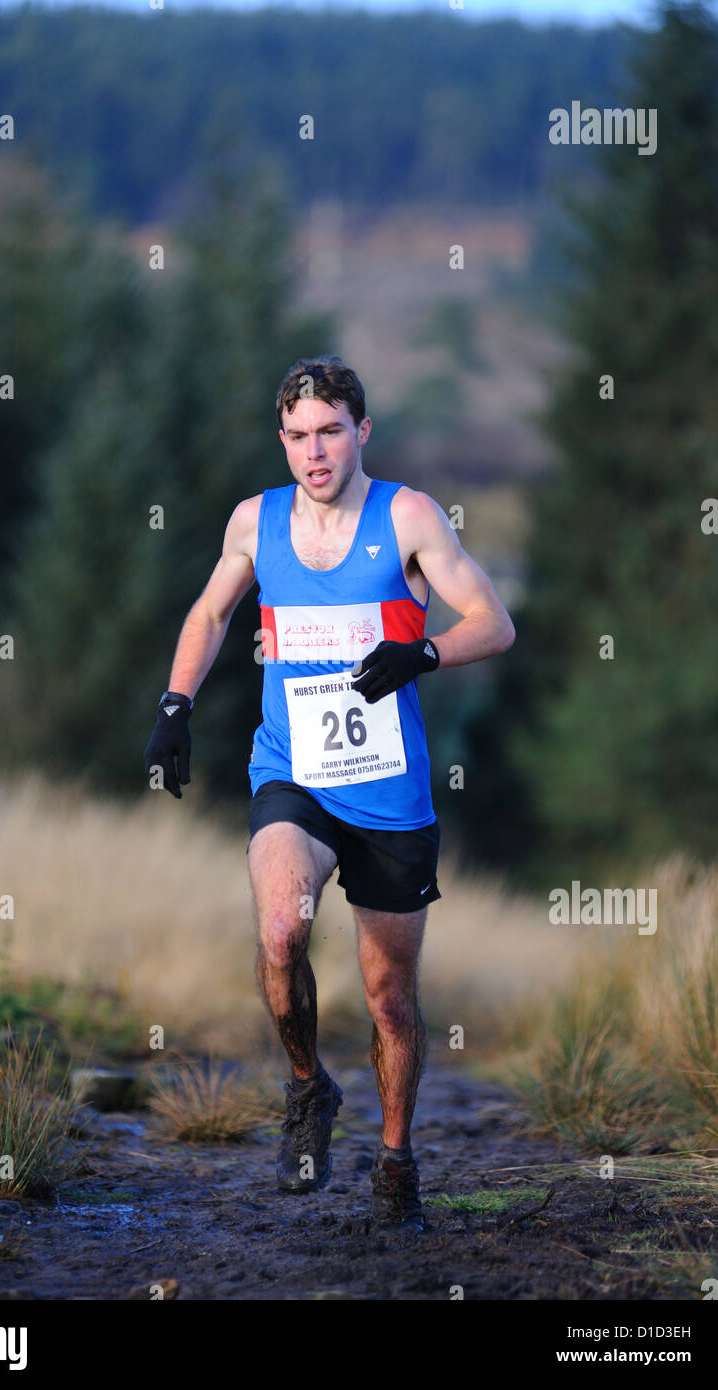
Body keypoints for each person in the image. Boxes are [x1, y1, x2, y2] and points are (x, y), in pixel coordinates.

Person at [144, 355, 515, 1231]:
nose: (315, 453)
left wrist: (422, 653)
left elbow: (493, 623)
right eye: (299, 437)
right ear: (282, 440)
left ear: (362, 433)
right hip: (293, 771)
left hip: (389, 792)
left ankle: (395, 1163)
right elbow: (210, 614)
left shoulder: (409, 515)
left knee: (389, 997)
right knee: (281, 929)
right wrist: (174, 707)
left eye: (331, 433)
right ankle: (308, 1090)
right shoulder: (255, 521)